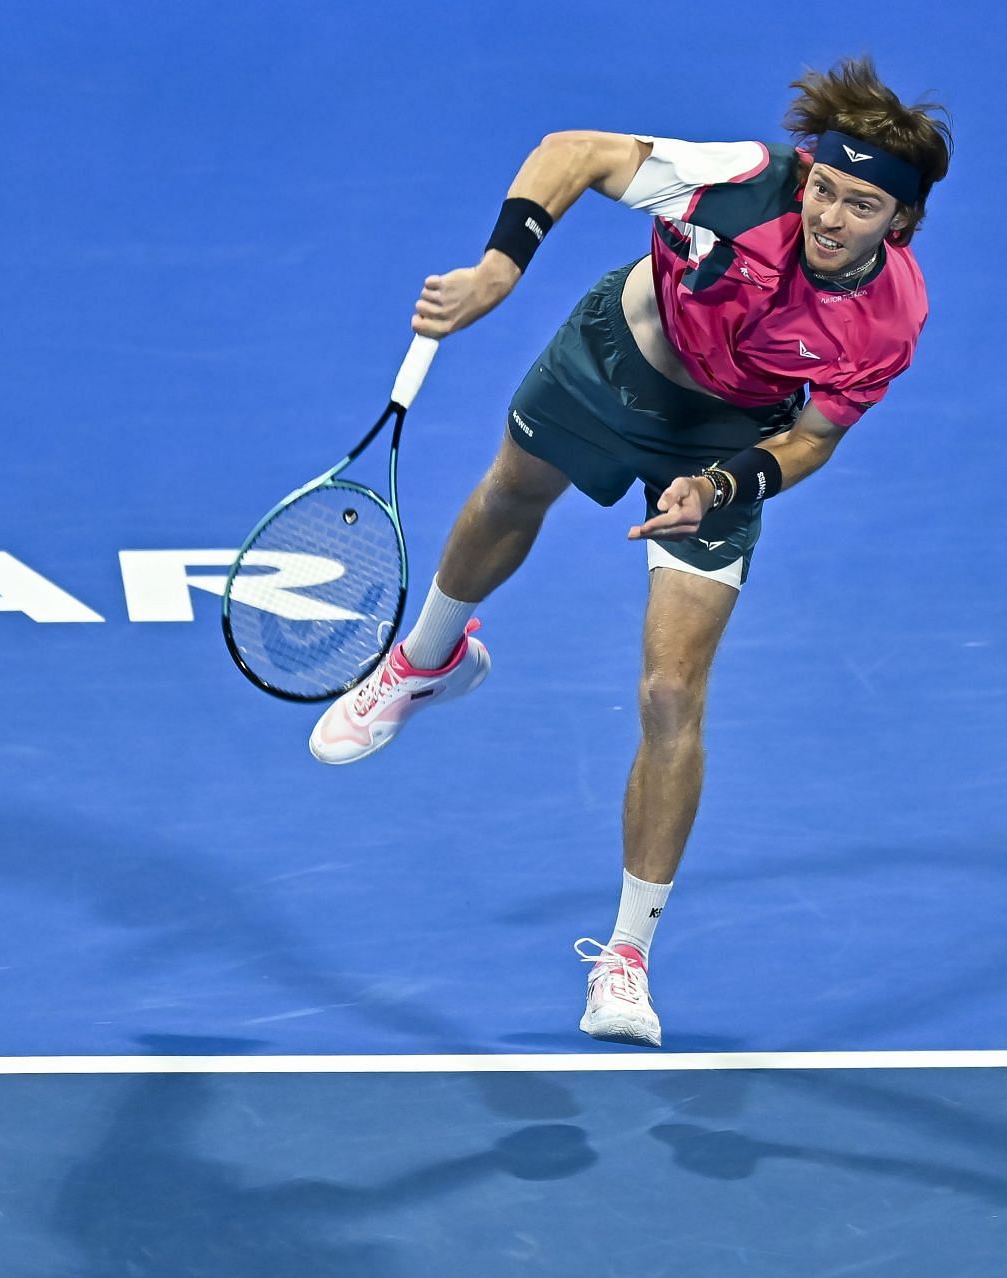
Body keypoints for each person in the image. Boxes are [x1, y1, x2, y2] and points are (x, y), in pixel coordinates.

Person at [307, 57, 953, 1047]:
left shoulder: (888, 317)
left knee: (669, 694)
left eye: (859, 205)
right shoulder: (741, 178)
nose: (828, 216)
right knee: (509, 495)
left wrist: (727, 485)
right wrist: (499, 268)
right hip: (613, 363)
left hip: (724, 445)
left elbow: (814, 437)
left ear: (898, 224)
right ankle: (424, 659)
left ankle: (626, 957)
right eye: (824, 187)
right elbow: (574, 152)